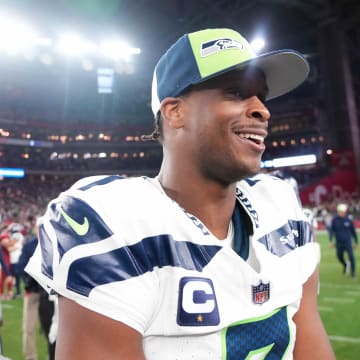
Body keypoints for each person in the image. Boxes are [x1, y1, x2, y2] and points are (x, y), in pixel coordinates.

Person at [25, 28, 335, 359]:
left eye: (261, 95)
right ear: (175, 111)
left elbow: (310, 343)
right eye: (236, 92)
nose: (263, 110)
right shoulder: (115, 221)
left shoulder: (281, 204)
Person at [18, 226, 56, 360]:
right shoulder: (31, 245)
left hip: (50, 294)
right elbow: (21, 267)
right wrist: (29, 283)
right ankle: (31, 356)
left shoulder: (54, 243)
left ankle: (52, 355)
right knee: (29, 328)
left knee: (53, 329)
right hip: (36, 292)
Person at [329, 203, 358, 278]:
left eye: (342, 211)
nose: (340, 213)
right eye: (339, 211)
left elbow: (353, 231)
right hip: (339, 242)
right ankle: (345, 264)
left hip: (348, 242)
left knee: (351, 257)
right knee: (339, 256)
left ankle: (353, 273)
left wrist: (356, 242)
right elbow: (331, 230)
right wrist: (331, 241)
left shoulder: (348, 220)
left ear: (345, 212)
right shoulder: (334, 220)